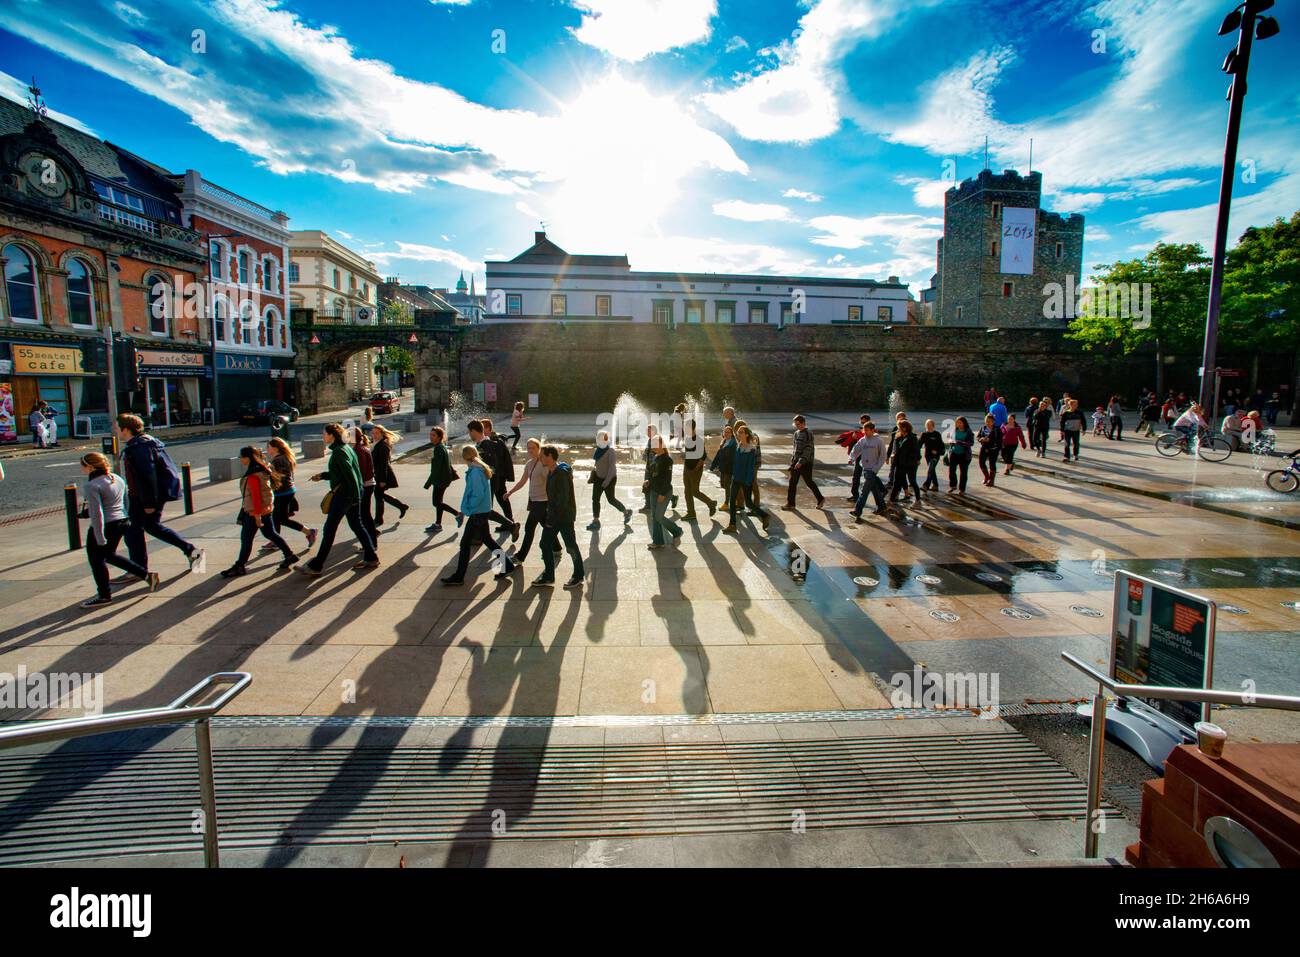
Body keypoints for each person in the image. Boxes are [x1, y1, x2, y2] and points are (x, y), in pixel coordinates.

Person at [116, 413, 205, 578]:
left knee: (133, 531)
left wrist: (149, 503)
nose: (116, 431)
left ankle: (138, 570)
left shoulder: (139, 447)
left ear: (126, 429)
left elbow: (147, 475)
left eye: (117, 428)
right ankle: (191, 550)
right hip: (148, 495)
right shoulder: (145, 443)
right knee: (151, 527)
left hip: (144, 497)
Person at [78, 452, 158, 608]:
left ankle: (104, 595)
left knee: (96, 560)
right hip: (122, 521)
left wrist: (99, 536)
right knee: (109, 555)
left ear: (91, 466)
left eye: (83, 465)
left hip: (105, 525)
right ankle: (146, 575)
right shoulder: (116, 478)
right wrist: (126, 517)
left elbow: (97, 513)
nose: (81, 468)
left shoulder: (92, 485)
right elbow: (122, 501)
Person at [299, 423, 379, 576]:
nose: (323, 436)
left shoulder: (338, 452)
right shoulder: (346, 448)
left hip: (345, 495)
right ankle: (371, 556)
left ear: (331, 435)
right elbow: (343, 473)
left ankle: (316, 565)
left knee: (330, 529)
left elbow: (350, 475)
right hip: (352, 494)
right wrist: (323, 475)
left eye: (324, 433)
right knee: (357, 525)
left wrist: (355, 497)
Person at [440, 445, 515, 585]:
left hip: (478, 513)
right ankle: (508, 566)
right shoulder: (480, 469)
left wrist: (468, 509)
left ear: (464, 457)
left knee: (465, 544)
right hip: (482, 511)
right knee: (488, 540)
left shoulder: (475, 472)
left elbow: (478, 494)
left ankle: (459, 576)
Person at [222, 447, 298, 577]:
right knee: (271, 534)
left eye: (241, 457)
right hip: (265, 511)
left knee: (246, 539)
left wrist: (257, 516)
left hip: (254, 513)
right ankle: (289, 555)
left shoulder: (253, 475)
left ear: (248, 458)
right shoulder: (262, 470)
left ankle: (239, 566)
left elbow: (256, 497)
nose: (240, 459)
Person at [534, 445, 584, 588]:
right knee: (544, 544)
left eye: (542, 456)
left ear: (550, 456)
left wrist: (551, 519)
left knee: (571, 546)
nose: (540, 458)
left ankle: (578, 575)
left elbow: (563, 500)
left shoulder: (561, 473)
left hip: (563, 518)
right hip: (554, 516)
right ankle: (549, 576)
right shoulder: (552, 472)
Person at [467, 419, 519, 539]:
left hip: (488, 482)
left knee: (484, 510)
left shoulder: (488, 444)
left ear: (474, 431)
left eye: (470, 431)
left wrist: (488, 482)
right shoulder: (483, 444)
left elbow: (492, 467)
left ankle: (509, 525)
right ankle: (482, 535)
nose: (469, 434)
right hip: (487, 482)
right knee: (484, 509)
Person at [263, 437, 316, 552]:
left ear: (275, 448)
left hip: (282, 493)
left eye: (268, 447)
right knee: (276, 518)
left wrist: (266, 468)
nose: (267, 449)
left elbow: (277, 477)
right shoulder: (282, 458)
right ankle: (275, 541)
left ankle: (309, 532)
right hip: (286, 491)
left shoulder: (278, 460)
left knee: (280, 519)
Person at [508, 438, 549, 561]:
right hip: (533, 500)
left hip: (542, 501)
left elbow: (550, 482)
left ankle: (520, 557)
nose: (530, 450)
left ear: (539, 449)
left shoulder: (543, 464)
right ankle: (557, 548)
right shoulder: (530, 463)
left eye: (533, 448)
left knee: (529, 528)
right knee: (545, 524)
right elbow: (522, 481)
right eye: (529, 448)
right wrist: (510, 492)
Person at [723, 426, 768, 533]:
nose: (739, 434)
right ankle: (732, 525)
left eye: (741, 432)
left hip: (745, 479)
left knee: (748, 503)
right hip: (736, 478)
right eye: (738, 432)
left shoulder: (751, 448)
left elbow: (750, 467)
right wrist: (734, 474)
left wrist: (748, 481)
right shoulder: (739, 446)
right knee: (732, 500)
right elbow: (737, 463)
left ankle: (765, 516)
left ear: (747, 434)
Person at [645, 434, 685, 545]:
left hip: (664, 492)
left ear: (662, 444)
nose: (654, 448)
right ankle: (658, 542)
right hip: (653, 491)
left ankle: (677, 531)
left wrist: (662, 494)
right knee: (654, 517)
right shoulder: (655, 457)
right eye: (652, 445)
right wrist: (648, 480)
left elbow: (667, 479)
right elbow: (652, 473)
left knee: (658, 516)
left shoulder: (667, 460)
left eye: (656, 445)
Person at [588, 430, 633, 530]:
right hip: (598, 479)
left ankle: (626, 512)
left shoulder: (611, 451)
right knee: (595, 499)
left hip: (609, 479)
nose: (600, 440)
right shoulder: (598, 450)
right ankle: (596, 520)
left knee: (611, 500)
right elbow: (597, 464)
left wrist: (606, 482)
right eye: (600, 438)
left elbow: (612, 469)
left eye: (603, 438)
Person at [422, 425, 460, 533]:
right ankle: (438, 524)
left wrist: (428, 483)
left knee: (436, 503)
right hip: (443, 478)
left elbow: (436, 470)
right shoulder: (441, 446)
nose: (431, 437)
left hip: (440, 480)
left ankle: (457, 513)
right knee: (439, 502)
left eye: (433, 435)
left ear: (439, 437)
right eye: (430, 435)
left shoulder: (439, 449)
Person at [783, 414, 825, 510]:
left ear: (803, 423)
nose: (797, 426)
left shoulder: (808, 433)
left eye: (798, 424)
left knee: (809, 482)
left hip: (806, 463)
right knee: (792, 482)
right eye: (795, 424)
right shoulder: (796, 433)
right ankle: (791, 504)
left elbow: (808, 449)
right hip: (796, 462)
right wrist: (793, 462)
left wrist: (801, 462)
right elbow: (795, 449)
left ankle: (820, 499)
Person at [370, 424, 409, 525]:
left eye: (377, 433)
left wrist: (382, 480)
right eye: (373, 433)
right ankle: (401, 506)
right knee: (380, 495)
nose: (374, 435)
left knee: (378, 495)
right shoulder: (378, 444)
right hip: (378, 474)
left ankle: (379, 519)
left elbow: (383, 464)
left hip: (383, 475)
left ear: (382, 434)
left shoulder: (383, 446)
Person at [848, 421, 888, 518]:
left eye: (866, 430)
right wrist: (851, 458)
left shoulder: (879, 441)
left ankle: (858, 511)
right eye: (863, 430)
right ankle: (882, 506)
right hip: (865, 469)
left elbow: (883, 457)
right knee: (874, 489)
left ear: (872, 430)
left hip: (872, 470)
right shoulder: (862, 440)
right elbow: (855, 449)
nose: (864, 432)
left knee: (864, 491)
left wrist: (875, 469)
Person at [351, 428, 380, 545]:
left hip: (365, 485)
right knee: (364, 515)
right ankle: (372, 536)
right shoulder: (360, 448)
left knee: (364, 515)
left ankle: (372, 541)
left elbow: (361, 471)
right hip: (368, 484)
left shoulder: (358, 450)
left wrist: (357, 485)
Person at [888, 420, 921, 504]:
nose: (898, 429)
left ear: (905, 428)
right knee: (897, 482)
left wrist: (916, 459)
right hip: (900, 464)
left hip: (910, 465)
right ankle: (891, 500)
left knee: (912, 482)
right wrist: (894, 456)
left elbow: (917, 451)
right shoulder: (899, 437)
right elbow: (897, 450)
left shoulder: (912, 438)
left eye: (899, 427)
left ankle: (918, 500)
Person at [838, 414, 870, 503]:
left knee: (869, 476)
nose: (863, 424)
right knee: (856, 476)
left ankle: (882, 490)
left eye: (864, 422)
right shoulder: (859, 431)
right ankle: (855, 495)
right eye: (862, 422)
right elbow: (856, 445)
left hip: (867, 457)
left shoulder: (871, 431)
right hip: (859, 456)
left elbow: (866, 440)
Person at [710, 425, 737, 513]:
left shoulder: (733, 443)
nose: (726, 433)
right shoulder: (724, 441)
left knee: (727, 485)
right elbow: (719, 454)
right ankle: (731, 500)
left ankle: (727, 503)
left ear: (732, 434)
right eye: (725, 432)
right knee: (723, 485)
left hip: (729, 468)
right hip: (723, 467)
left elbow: (731, 457)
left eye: (728, 432)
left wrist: (725, 464)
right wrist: (713, 465)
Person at [948, 416, 974, 493]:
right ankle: (953, 486)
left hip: (964, 454)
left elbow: (971, 443)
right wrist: (950, 440)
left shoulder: (968, 431)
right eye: (957, 422)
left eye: (960, 422)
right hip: (954, 453)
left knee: (963, 472)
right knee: (951, 470)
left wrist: (961, 442)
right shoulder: (954, 430)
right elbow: (950, 438)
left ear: (964, 423)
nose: (958, 424)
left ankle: (962, 489)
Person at [977, 413, 1003, 487]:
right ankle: (986, 476)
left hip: (993, 449)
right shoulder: (983, 428)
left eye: (989, 421)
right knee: (981, 462)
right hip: (984, 447)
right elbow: (978, 436)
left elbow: (999, 440)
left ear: (993, 422)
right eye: (986, 421)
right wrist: (980, 439)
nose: (988, 423)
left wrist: (990, 440)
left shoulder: (997, 430)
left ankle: (991, 480)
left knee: (992, 464)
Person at [919, 419, 945, 492]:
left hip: (935, 456)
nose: (929, 426)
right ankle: (935, 485)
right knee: (932, 470)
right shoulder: (924, 434)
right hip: (927, 455)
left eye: (930, 425)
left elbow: (941, 445)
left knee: (930, 470)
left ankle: (926, 485)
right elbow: (919, 444)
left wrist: (937, 451)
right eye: (927, 425)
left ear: (933, 426)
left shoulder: (937, 434)